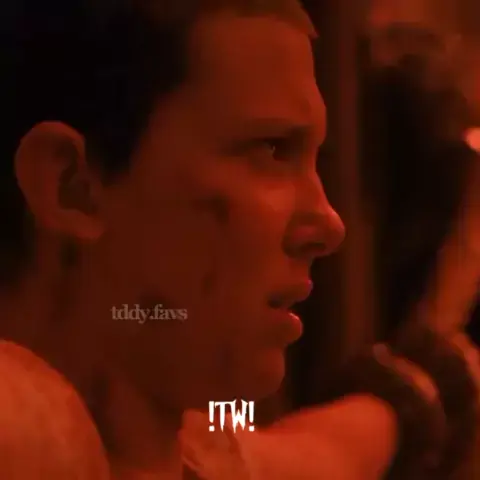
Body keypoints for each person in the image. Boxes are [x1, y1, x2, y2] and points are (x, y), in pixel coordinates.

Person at [0, 1, 475, 479]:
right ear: (74, 187)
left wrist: (422, 387)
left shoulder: (195, 450)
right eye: (271, 150)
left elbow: (326, 453)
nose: (329, 225)